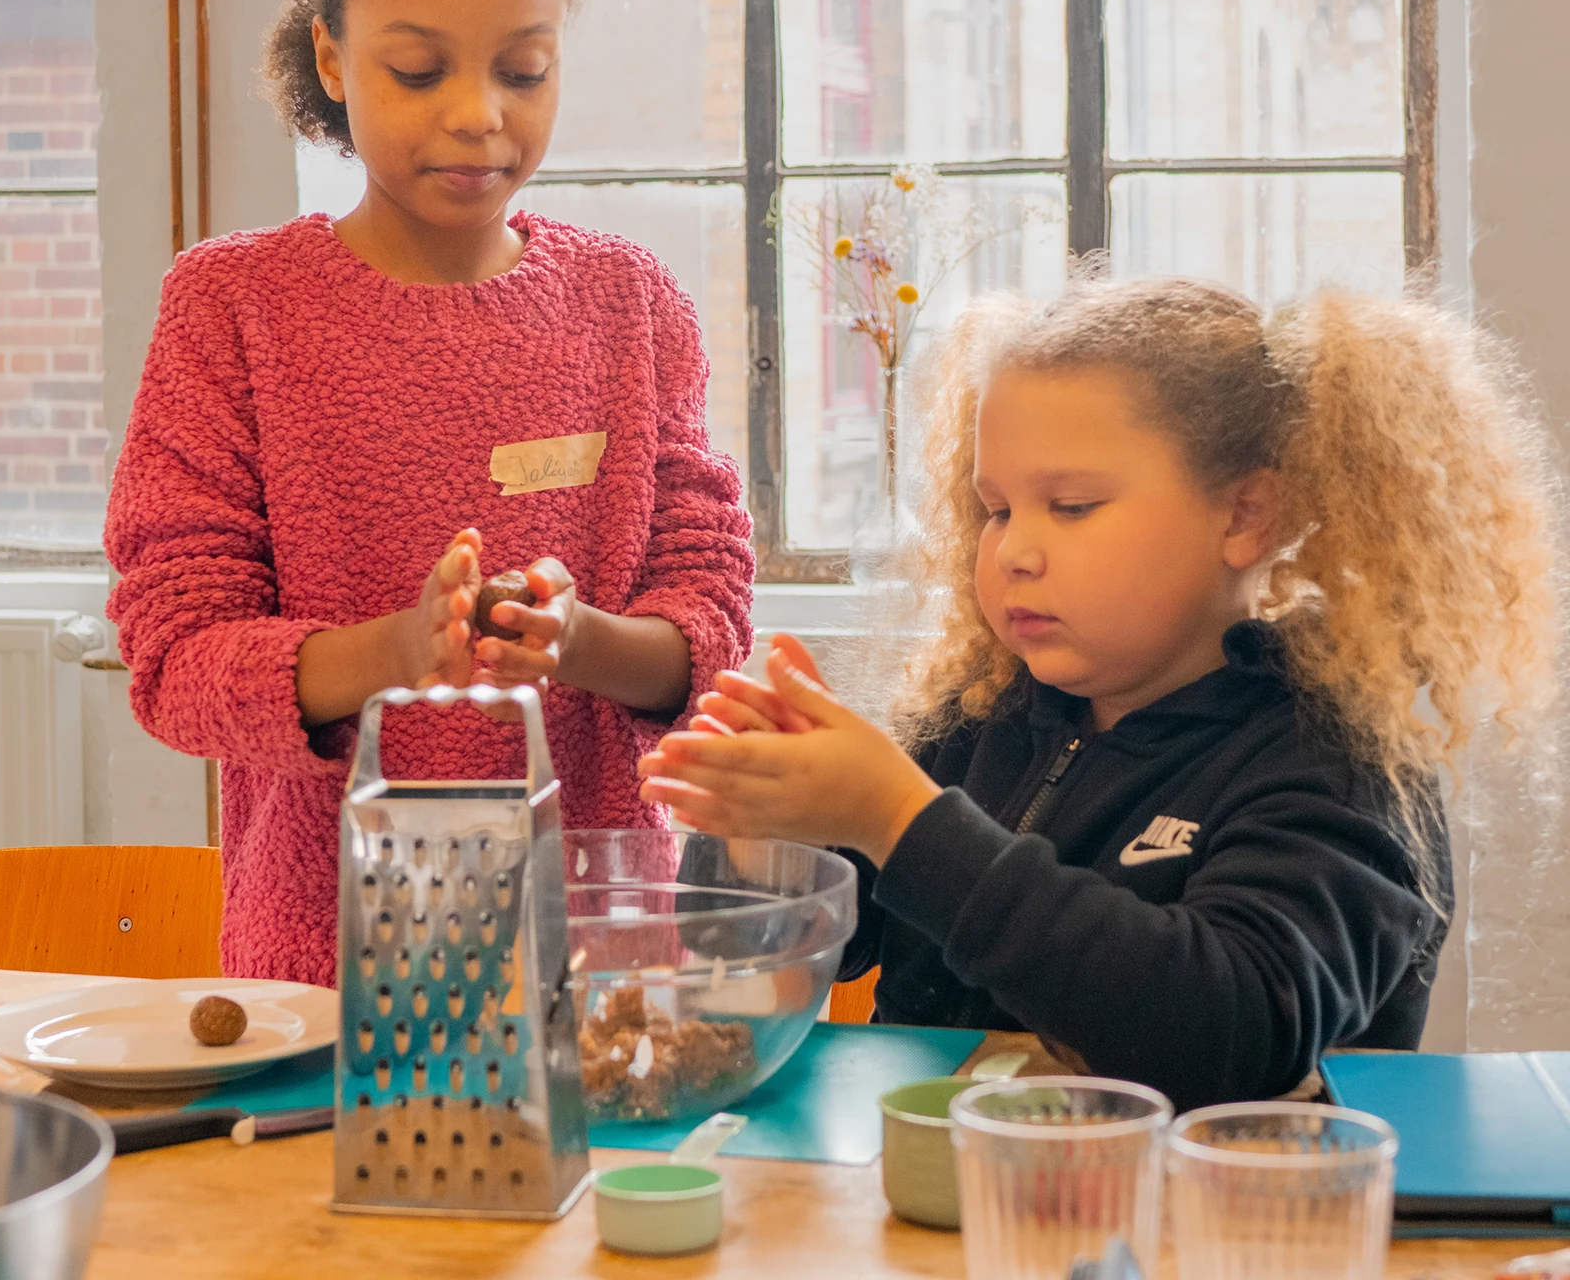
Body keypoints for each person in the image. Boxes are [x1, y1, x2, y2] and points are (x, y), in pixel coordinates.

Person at [639, 277, 1560, 1109]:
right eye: (997, 510)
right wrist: (758, 837)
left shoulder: (1340, 766)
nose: (1014, 550)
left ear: (1245, 515)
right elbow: (753, 968)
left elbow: (1226, 1040)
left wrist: (900, 820)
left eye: (1072, 507)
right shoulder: (980, 723)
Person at [106, 0, 755, 986]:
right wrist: (396, 654)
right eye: (417, 71)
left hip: (598, 964)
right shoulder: (234, 307)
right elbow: (174, 658)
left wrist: (578, 640)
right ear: (332, 58)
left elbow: (710, 618)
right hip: (325, 970)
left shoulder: (630, 302)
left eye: (524, 70)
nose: (477, 115)